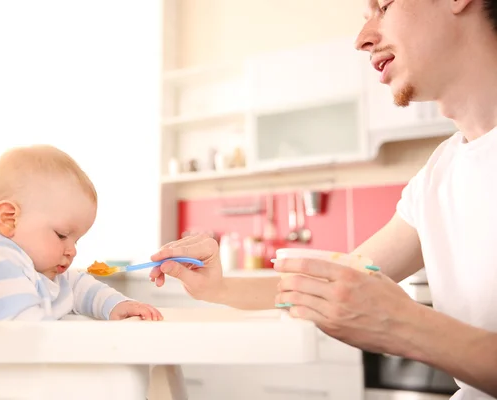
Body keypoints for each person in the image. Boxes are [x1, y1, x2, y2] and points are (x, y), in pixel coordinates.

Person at [149, 0, 497, 398]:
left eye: (383, 6)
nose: (362, 39)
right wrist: (219, 287)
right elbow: (331, 283)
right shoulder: (439, 177)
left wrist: (406, 325)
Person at [0, 144, 162, 321]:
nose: (72, 251)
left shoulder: (39, 270)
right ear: (9, 219)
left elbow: (79, 287)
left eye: (76, 241)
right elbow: (24, 336)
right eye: (61, 235)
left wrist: (117, 305)